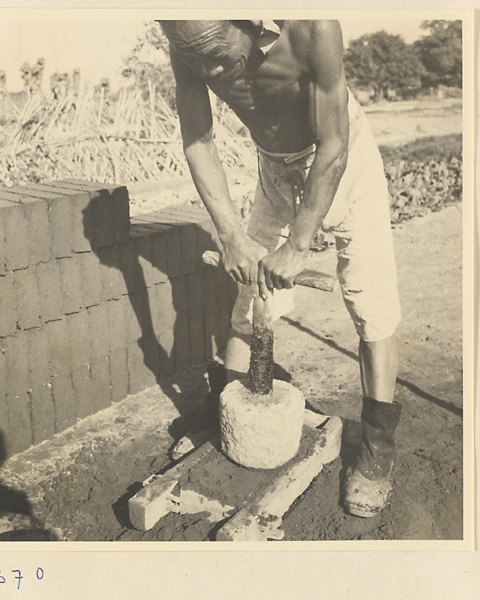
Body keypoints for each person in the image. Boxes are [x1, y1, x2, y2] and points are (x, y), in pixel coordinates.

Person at [159, 19, 402, 518]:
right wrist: (231, 236)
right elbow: (198, 139)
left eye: (216, 53)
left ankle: (378, 447)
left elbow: (333, 146)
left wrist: (299, 243)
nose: (209, 70)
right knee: (251, 298)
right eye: (194, 58)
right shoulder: (185, 38)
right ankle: (229, 411)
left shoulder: (314, 27)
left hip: (344, 156)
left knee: (370, 303)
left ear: (247, 19)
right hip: (275, 164)